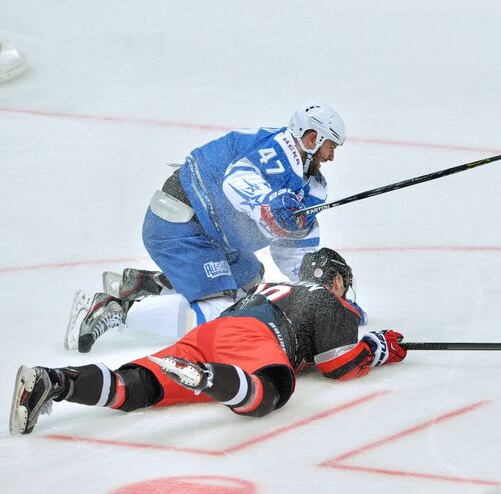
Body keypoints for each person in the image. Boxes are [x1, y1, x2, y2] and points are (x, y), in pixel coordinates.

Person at [11, 249, 406, 435]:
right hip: (255, 339)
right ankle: (207, 378)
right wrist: (379, 348)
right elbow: (339, 366)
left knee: (138, 387)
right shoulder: (327, 298)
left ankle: (54, 382)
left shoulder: (278, 285)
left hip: (212, 333)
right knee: (268, 394)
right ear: (336, 281)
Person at [65, 103, 359, 353]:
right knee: (219, 316)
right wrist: (267, 203)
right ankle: (113, 309)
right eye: (330, 147)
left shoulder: (311, 186)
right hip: (180, 226)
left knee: (250, 283)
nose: (332, 157)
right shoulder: (277, 152)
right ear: (311, 138)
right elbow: (236, 179)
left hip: (214, 238)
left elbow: (294, 243)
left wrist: (319, 291)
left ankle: (144, 286)